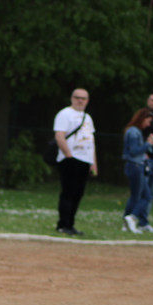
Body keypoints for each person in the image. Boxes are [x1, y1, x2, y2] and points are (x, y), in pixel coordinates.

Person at [53, 88, 96, 235]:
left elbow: (91, 140)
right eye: (77, 97)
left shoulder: (87, 117)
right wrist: (68, 155)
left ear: (87, 101)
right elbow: (59, 136)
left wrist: (93, 162)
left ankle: (70, 224)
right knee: (68, 192)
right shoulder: (65, 114)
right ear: (72, 98)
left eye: (83, 98)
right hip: (70, 158)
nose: (80, 100)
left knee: (78, 193)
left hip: (85, 159)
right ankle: (62, 224)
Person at [120, 108, 153, 234]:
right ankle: (132, 217)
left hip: (136, 165)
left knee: (137, 195)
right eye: (148, 121)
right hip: (135, 167)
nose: (148, 124)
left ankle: (126, 222)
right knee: (143, 196)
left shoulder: (133, 131)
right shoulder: (134, 132)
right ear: (142, 119)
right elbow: (134, 151)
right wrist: (148, 144)